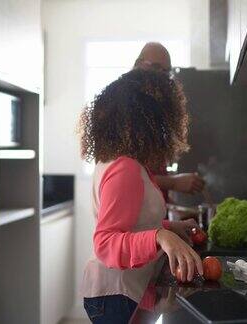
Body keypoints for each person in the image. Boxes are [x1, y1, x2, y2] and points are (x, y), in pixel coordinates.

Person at [79, 69, 203, 323]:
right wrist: (160, 236)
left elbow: (134, 224)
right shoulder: (124, 168)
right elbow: (105, 243)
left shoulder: (123, 161)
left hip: (122, 290)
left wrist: (170, 228)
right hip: (114, 294)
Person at [133, 42, 205, 197]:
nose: (162, 76)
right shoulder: (126, 111)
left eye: (166, 72)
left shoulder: (152, 110)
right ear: (138, 66)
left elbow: (150, 174)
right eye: (156, 68)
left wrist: (171, 211)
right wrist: (173, 182)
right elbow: (127, 177)